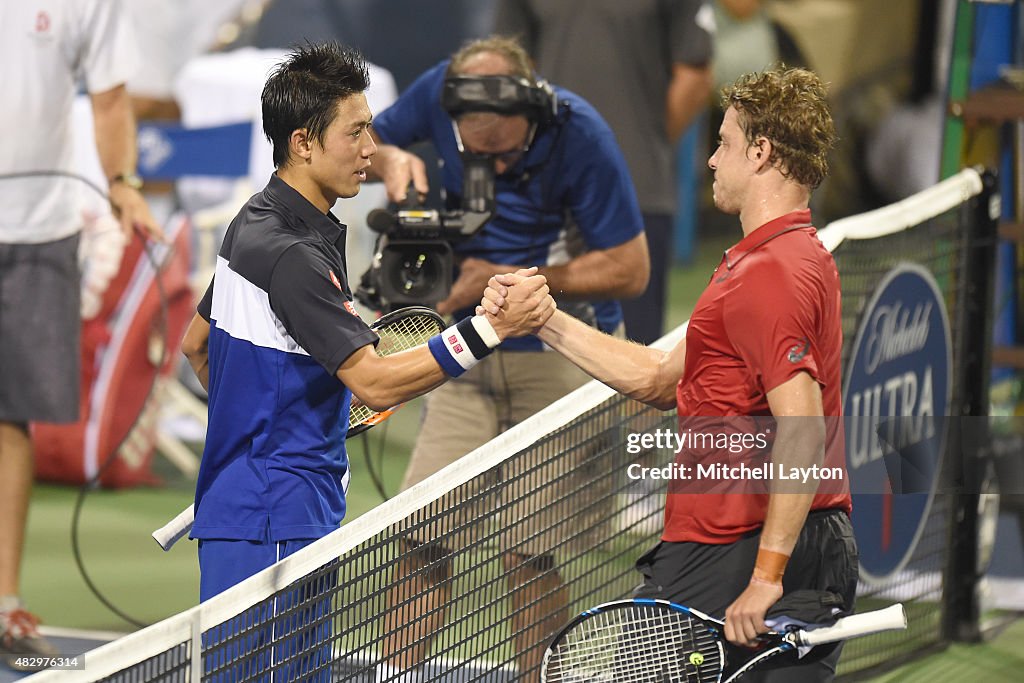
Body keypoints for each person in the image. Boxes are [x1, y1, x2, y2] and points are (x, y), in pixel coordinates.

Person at [482, 66, 858, 681]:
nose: (710, 160)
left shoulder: (771, 275)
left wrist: (766, 577)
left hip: (737, 552)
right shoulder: (784, 260)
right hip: (787, 544)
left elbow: (802, 429)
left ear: (761, 153)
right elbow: (660, 378)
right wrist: (546, 319)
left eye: (724, 143)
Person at [179, 40, 553, 608]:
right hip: (277, 520)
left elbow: (195, 345)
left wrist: (258, 426)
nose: (370, 149)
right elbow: (374, 383)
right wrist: (489, 330)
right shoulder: (293, 255)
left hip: (253, 507)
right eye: (354, 133)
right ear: (302, 143)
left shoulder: (255, 219)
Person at [367, 35, 649, 680]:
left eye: (507, 152)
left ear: (535, 112)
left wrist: (516, 277)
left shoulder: (583, 135)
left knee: (530, 553)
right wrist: (390, 159)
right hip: (462, 357)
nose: (493, 168)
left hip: (560, 354)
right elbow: (370, 140)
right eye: (477, 152)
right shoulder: (438, 87)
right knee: (421, 538)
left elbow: (630, 269)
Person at [0, 0, 163, 671]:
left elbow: (110, 97)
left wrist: (123, 183)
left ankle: (3, 604)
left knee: (11, 419)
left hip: (41, 230)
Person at [494, 0, 714, 345]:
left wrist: (609, 160)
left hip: (638, 186)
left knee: (635, 360)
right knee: (535, 356)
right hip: (542, 194)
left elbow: (695, 76)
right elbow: (509, 71)